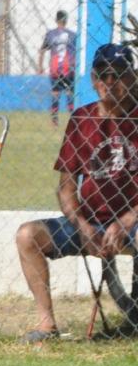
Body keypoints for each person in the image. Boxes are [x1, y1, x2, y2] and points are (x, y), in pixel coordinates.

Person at [15, 43, 138, 343]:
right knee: (27, 236)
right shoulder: (82, 120)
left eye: (119, 74)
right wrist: (82, 226)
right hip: (90, 223)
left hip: (133, 222)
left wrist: (127, 220)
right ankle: (47, 326)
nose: (111, 82)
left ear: (133, 78)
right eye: (104, 75)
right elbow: (66, 187)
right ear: (94, 80)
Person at [40, 10, 78, 126]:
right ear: (66, 20)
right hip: (68, 68)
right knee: (70, 93)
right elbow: (77, 51)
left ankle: (54, 121)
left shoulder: (50, 34)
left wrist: (40, 66)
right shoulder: (72, 35)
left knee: (55, 93)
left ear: (56, 20)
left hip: (55, 68)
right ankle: (73, 119)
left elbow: (42, 50)